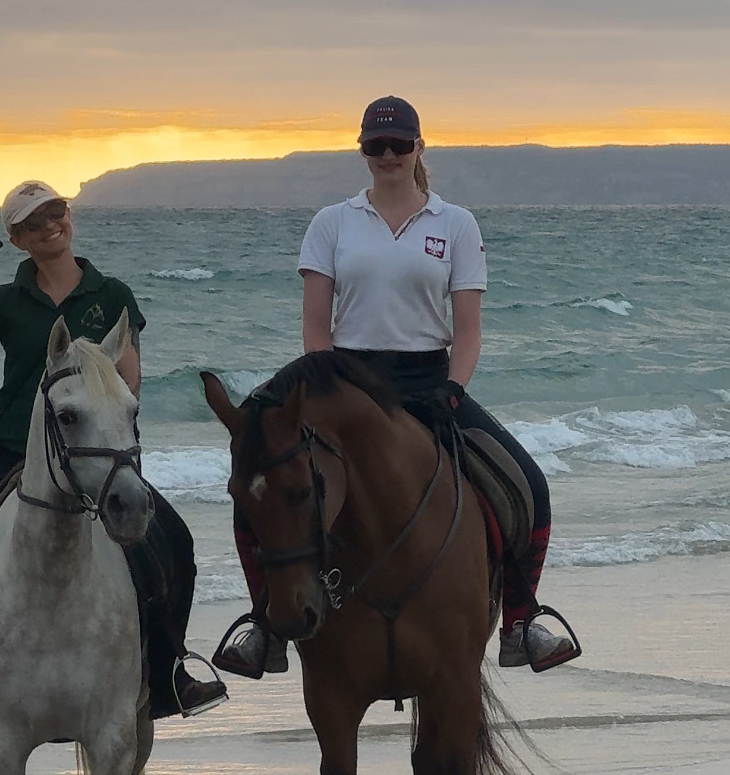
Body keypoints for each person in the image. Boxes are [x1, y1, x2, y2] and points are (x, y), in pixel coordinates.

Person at [214, 96, 577, 679]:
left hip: (430, 381)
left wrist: (453, 390)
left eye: (398, 145)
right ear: (362, 152)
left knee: (528, 485)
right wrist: (330, 394)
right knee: (256, 479)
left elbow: (467, 330)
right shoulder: (331, 222)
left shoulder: (455, 224)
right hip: (346, 381)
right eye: (375, 146)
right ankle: (264, 624)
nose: (387, 155)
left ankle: (519, 621)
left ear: (418, 149)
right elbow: (315, 326)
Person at [0, 178, 226, 744]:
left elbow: (129, 379)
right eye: (35, 222)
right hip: (9, 449)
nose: (51, 226)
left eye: (57, 214)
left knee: (175, 546)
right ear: (18, 239)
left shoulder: (111, 293)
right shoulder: (3, 302)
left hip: (92, 449)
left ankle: (170, 672)